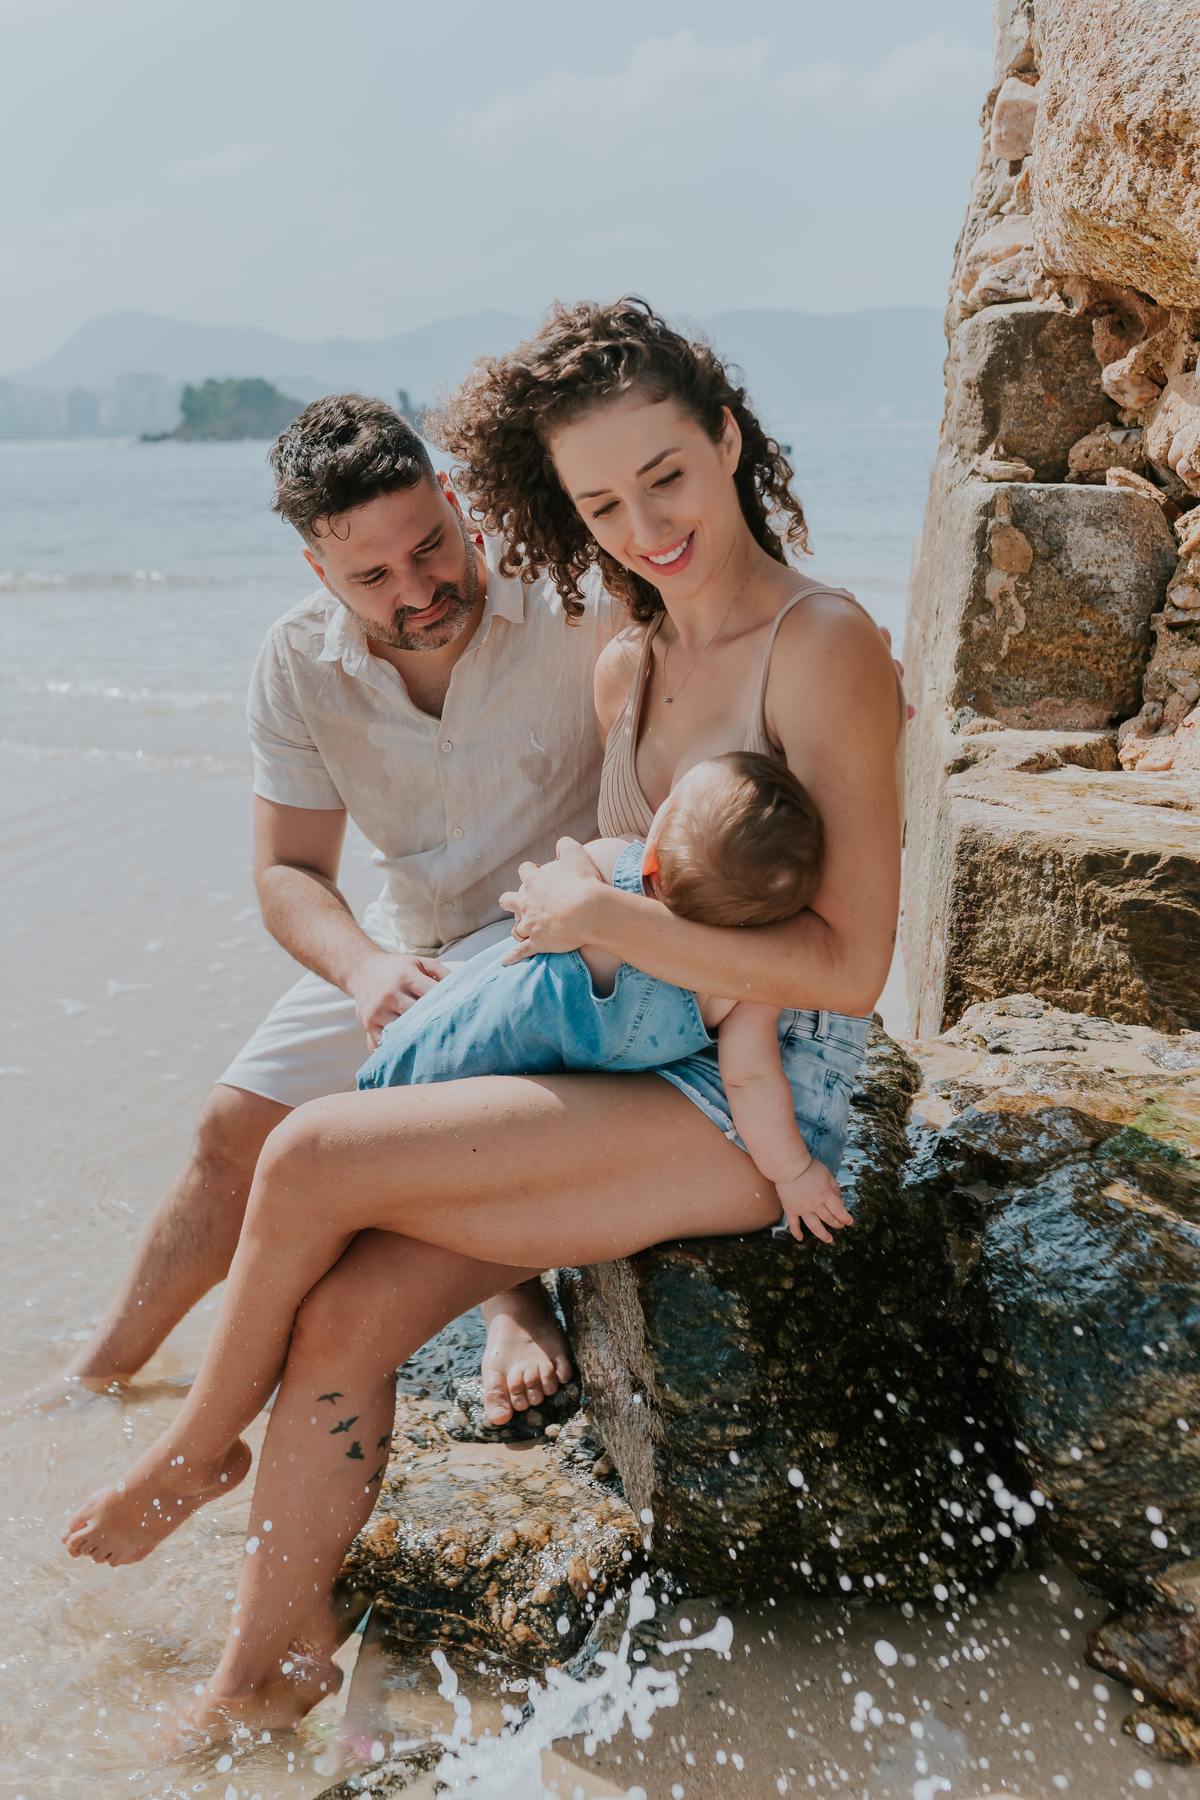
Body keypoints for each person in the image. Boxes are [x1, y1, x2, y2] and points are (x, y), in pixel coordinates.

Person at [62, 297, 906, 1738]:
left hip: (759, 1100)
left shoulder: (820, 645)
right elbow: (617, 890)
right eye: (599, 503)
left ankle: (204, 1441)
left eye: (667, 476)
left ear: (728, 437)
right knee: (340, 1314)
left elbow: (850, 967)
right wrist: (580, 906)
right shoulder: (629, 652)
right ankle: (263, 1673)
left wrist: (608, 919)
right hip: (635, 1050)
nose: (646, 526)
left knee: (315, 1155)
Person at [26, 393, 610, 1427]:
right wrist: (361, 969)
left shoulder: (576, 594)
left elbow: (719, 628)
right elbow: (288, 872)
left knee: (416, 1087)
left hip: (555, 925)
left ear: (455, 499)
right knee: (228, 1130)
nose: (417, 589)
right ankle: (100, 1371)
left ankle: (511, 1300)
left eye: (430, 547)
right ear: (318, 572)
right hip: (406, 936)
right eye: (372, 576)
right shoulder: (299, 662)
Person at [359, 750, 853, 1246]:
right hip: (490, 1107)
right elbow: (750, 1080)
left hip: (439, 1040)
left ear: (654, 853)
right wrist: (793, 1172)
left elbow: (528, 914)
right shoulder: (742, 989)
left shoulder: (604, 865)